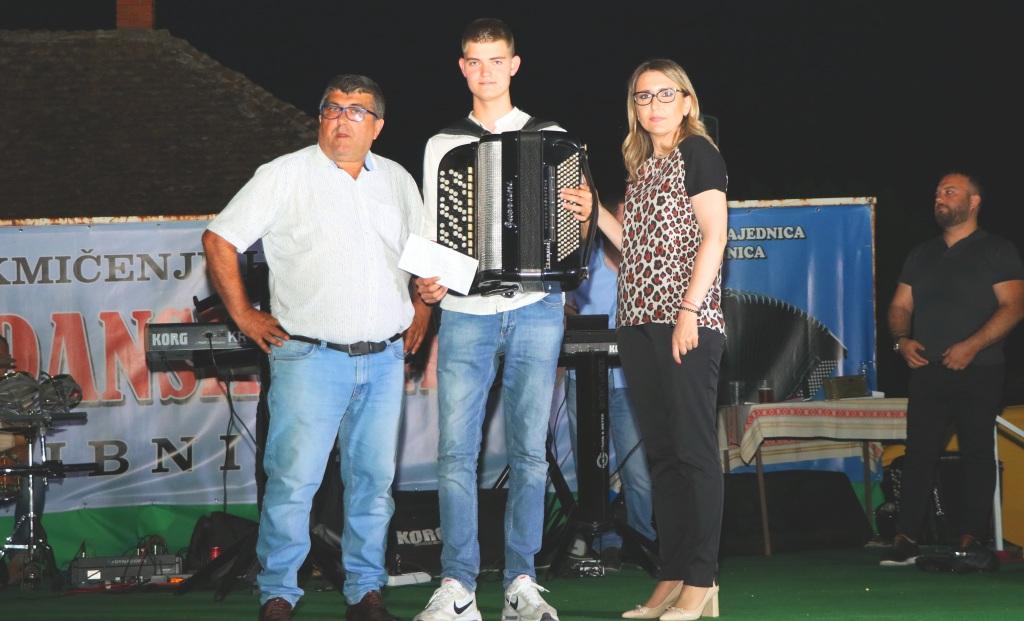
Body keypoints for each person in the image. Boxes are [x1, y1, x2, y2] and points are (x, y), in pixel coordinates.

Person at [203, 74, 430, 621]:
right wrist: (244, 315)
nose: (342, 119)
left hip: (383, 359)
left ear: (377, 126)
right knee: (293, 481)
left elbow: (422, 257)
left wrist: (421, 312)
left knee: (374, 483)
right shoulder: (284, 174)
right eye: (332, 108)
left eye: (357, 111)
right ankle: (279, 594)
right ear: (320, 118)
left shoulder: (397, 179)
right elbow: (219, 238)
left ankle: (366, 592)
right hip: (309, 357)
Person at [413, 18, 590, 621]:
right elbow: (433, 231)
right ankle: (457, 585)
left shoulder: (552, 137)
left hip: (536, 306)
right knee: (454, 453)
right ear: (462, 68)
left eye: (496, 60)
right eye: (474, 60)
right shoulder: (442, 143)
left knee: (531, 452)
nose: (485, 71)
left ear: (514, 65)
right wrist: (428, 281)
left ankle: (521, 582)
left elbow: (573, 234)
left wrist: (582, 215)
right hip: (465, 310)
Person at [569, 58, 728, 620]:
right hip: (635, 323)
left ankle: (702, 579)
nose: (653, 105)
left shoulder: (698, 153)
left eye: (665, 94)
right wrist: (595, 214)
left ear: (686, 101)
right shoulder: (643, 167)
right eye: (643, 96)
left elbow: (715, 236)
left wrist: (689, 311)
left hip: (684, 321)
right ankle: (673, 574)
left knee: (694, 454)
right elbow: (634, 248)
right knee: (662, 458)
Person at [881, 172, 1024, 566]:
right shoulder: (921, 254)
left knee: (977, 452)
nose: (939, 198)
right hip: (927, 370)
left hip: (981, 369)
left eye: (949, 192)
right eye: (937, 193)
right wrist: (901, 340)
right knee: (919, 453)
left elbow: (1014, 305)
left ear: (974, 201)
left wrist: (971, 346)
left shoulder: (997, 250)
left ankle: (971, 539)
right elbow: (900, 305)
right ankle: (906, 537)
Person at [563, 197, 655, 568]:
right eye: (621, 216)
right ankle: (595, 541)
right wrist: (569, 320)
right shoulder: (585, 262)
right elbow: (566, 304)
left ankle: (642, 543)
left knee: (638, 472)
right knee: (590, 467)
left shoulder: (644, 265)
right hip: (583, 379)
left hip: (629, 383)